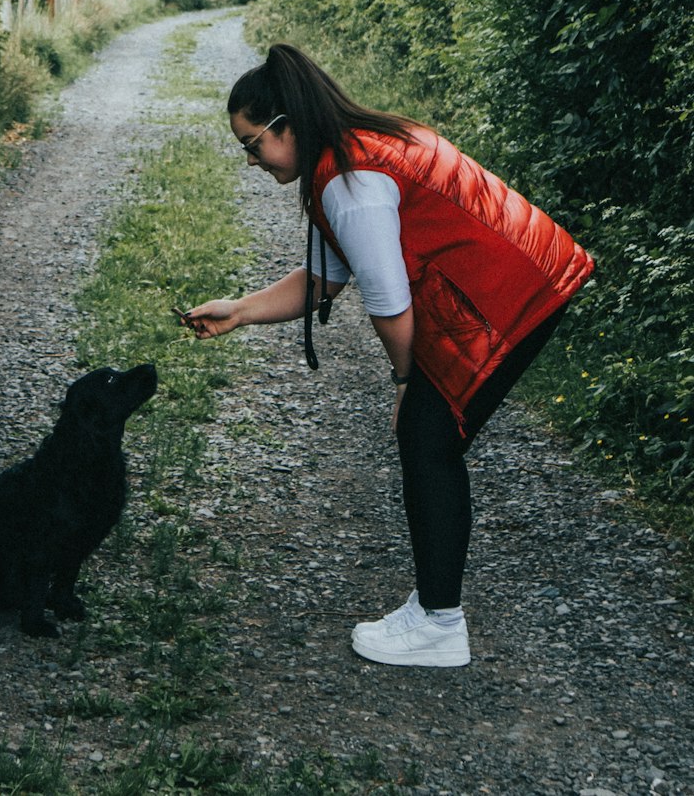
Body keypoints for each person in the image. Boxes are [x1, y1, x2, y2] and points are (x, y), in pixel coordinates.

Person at [180, 43, 593, 669]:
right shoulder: (356, 147)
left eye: (252, 144)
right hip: (529, 275)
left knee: (428, 438)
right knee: (429, 438)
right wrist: (238, 309)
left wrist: (407, 381)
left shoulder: (350, 184)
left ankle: (439, 625)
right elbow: (328, 275)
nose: (250, 160)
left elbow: (391, 307)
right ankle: (434, 609)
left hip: (514, 294)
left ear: (286, 125)